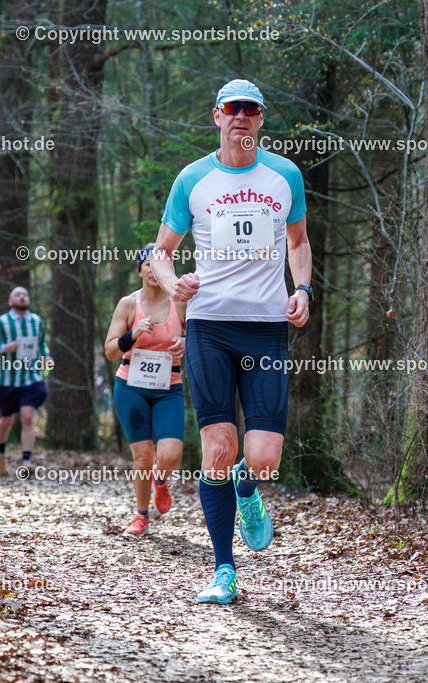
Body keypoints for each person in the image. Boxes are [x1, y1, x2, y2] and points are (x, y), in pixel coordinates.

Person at [150, 79, 312, 603]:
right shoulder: (192, 179)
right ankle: (224, 571)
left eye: (250, 109)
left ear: (261, 118)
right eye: (231, 108)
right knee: (217, 448)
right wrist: (175, 285)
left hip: (266, 326)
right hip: (210, 325)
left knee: (262, 457)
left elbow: (299, 240)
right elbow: (160, 252)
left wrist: (303, 288)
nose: (240, 116)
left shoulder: (285, 175)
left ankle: (249, 485)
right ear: (216, 116)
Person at [104, 244, 186, 536]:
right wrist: (132, 334)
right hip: (131, 388)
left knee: (171, 453)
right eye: (148, 264)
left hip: (169, 388)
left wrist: (186, 342)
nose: (154, 270)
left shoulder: (181, 303)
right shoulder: (129, 304)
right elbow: (111, 350)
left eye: (161, 264)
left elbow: (201, 338)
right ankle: (141, 515)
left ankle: (161, 481)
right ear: (139, 269)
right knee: (143, 456)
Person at [0, 287, 52, 474]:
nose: (22, 297)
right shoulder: (1, 322)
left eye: (25, 294)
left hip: (30, 378)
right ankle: (1, 453)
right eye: (17, 294)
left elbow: (42, 344)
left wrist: (47, 357)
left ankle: (27, 461)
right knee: (6, 421)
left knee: (28, 417)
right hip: (6, 380)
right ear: (10, 301)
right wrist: (7, 347)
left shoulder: (36, 321)